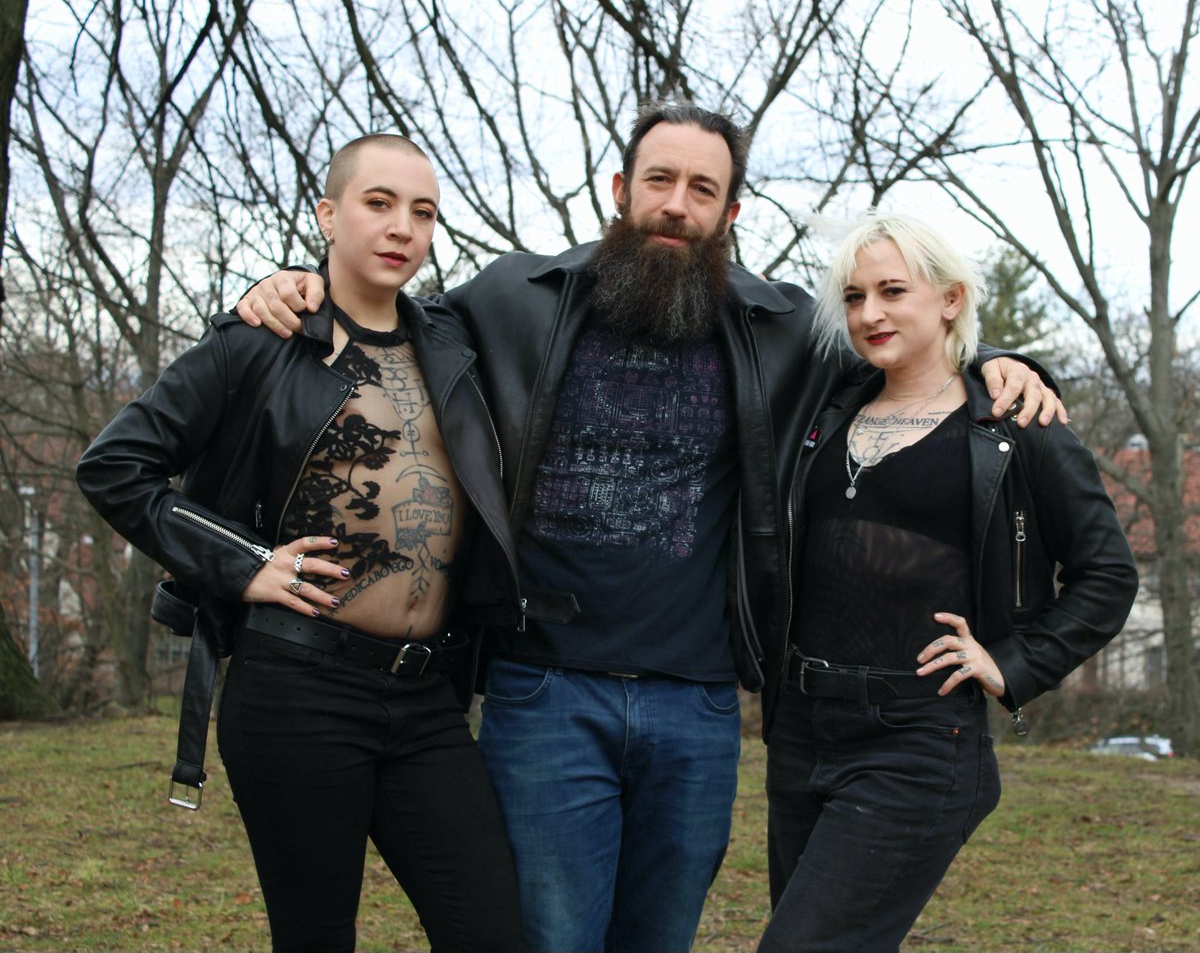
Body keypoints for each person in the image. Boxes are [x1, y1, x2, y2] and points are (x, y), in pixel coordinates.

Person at [236, 105, 1062, 953]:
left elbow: (902, 349)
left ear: (729, 213)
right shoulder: (515, 296)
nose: (677, 204)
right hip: (544, 692)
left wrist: (999, 361)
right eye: (660, 180)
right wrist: (294, 282)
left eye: (703, 189)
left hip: (696, 704)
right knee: (551, 941)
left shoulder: (780, 329)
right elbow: (389, 316)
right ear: (621, 190)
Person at [76, 134, 525, 953]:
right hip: (297, 689)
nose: (402, 227)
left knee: (491, 932)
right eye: (378, 203)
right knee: (316, 937)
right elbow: (113, 467)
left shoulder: (454, 347)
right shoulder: (259, 340)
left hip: (427, 697)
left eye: (423, 212)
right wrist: (244, 564)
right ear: (327, 213)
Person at [757, 213, 1138, 953]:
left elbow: (1109, 574)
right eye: (855, 296)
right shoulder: (827, 408)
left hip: (918, 739)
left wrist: (1013, 662)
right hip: (802, 730)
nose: (870, 313)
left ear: (951, 298)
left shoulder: (1017, 424)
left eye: (893, 290)